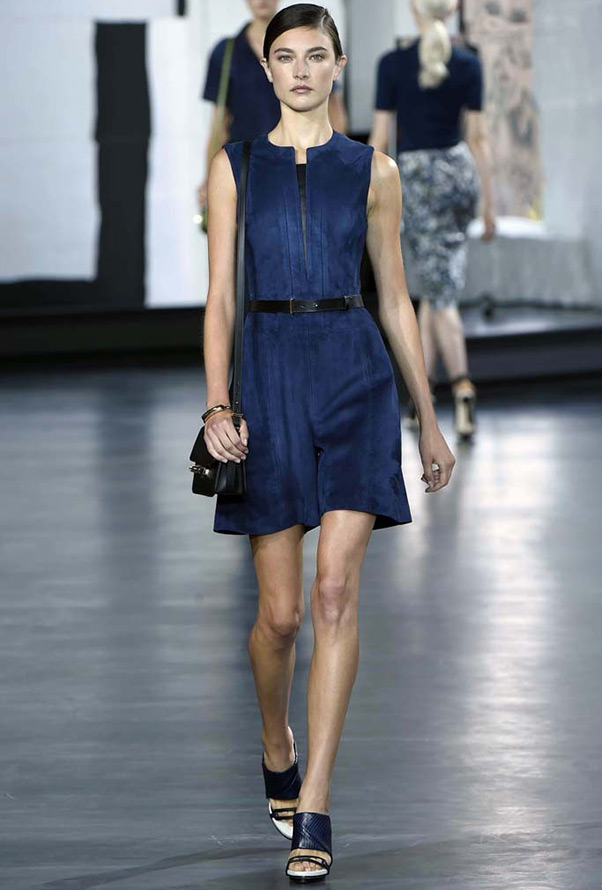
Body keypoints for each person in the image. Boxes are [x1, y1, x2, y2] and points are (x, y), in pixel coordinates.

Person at [202, 3, 455, 881]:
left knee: (336, 592)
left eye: (317, 55)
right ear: (266, 69)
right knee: (280, 616)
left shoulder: (374, 170)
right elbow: (220, 299)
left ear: (338, 66)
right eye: (286, 56)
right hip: (268, 379)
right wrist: (216, 405)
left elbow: (395, 298)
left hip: (354, 377)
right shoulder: (236, 167)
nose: (302, 69)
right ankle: (276, 741)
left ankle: (315, 805)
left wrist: (427, 415)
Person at [369, 0, 496, 439]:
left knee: (440, 298)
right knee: (434, 288)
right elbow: (478, 137)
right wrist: (489, 203)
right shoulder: (469, 64)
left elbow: (380, 139)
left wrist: (364, 195)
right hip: (458, 176)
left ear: (413, 8)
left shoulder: (392, 64)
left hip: (418, 181)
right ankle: (420, 400)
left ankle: (462, 387)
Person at [197, 0, 348, 211]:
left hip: (301, 166)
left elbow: (334, 111)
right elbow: (219, 124)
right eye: (284, 58)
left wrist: (336, 162)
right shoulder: (226, 53)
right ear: (267, 67)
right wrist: (210, 178)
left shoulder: (305, 46)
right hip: (246, 171)